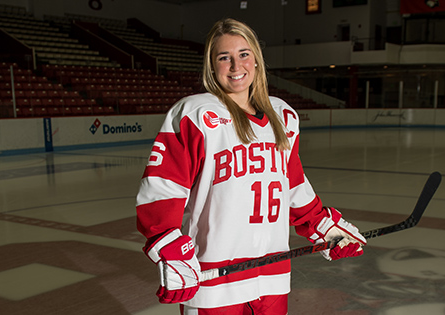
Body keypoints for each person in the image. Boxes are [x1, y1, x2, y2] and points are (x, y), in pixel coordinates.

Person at [135, 18, 366, 314]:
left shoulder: (283, 115)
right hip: (214, 279)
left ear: (256, 59)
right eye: (224, 57)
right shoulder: (194, 114)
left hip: (272, 274)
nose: (235, 66)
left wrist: (325, 229)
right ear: (212, 65)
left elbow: (292, 185)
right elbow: (161, 186)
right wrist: (169, 246)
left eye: (244, 54)